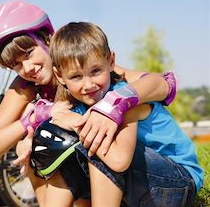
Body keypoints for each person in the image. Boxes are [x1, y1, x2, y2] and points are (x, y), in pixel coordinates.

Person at [0, 0, 178, 205]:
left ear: (47, 39)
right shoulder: (26, 87)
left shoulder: (85, 66)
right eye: (16, 65)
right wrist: (32, 121)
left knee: (75, 140)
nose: (27, 67)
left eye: (29, 53)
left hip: (138, 169)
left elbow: (164, 84)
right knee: (39, 145)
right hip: (87, 170)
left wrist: (114, 102)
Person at [30, 21, 203, 206]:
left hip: (177, 182)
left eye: (95, 71)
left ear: (111, 62)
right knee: (61, 149)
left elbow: (119, 160)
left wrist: (76, 123)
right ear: (59, 76)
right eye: (76, 76)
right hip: (143, 183)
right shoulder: (77, 105)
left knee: (96, 144)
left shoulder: (122, 98)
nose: (88, 85)